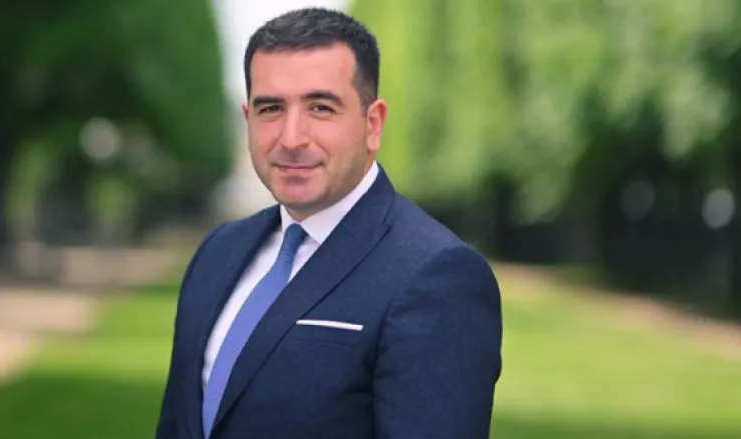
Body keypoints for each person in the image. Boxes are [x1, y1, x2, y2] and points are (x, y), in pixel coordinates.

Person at [155, 7, 502, 439]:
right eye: (271, 108)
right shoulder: (216, 253)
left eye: (320, 107)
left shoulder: (436, 275)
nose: (291, 138)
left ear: (372, 124)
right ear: (247, 119)